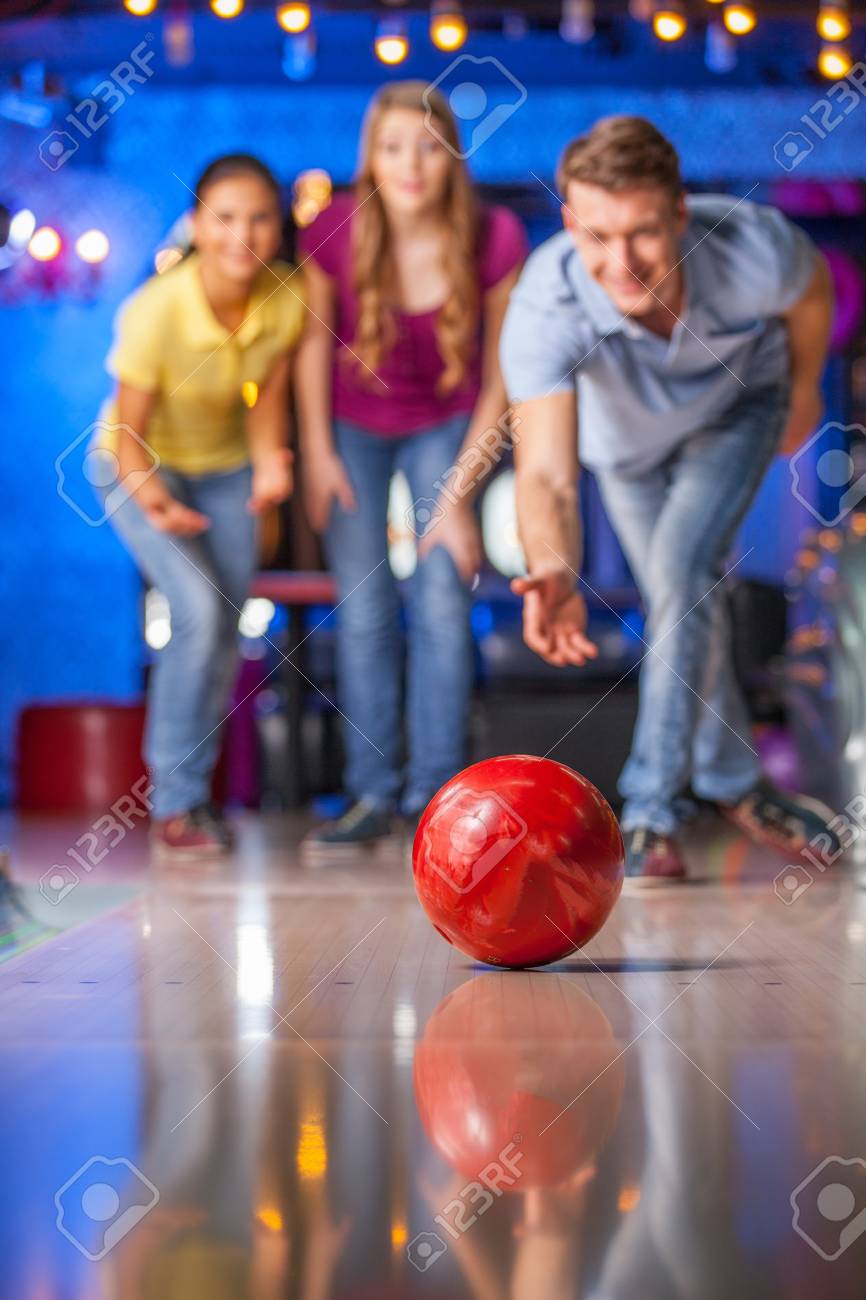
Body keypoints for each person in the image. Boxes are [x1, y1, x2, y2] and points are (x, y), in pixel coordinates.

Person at [500, 115, 840, 885]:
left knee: (683, 572)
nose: (621, 263)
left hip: (736, 409)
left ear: (680, 212)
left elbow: (812, 289)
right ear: (568, 225)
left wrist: (806, 389)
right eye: (595, 237)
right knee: (679, 593)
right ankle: (734, 782)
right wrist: (553, 568)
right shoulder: (544, 309)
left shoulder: (754, 248)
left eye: (644, 234)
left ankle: (649, 811)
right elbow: (548, 475)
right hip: (626, 456)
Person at [295, 81, 527, 849]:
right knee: (362, 614)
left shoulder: (493, 236)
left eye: (428, 146)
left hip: (449, 423)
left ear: (453, 153)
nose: (411, 165)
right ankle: (370, 794)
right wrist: (319, 454)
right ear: (371, 156)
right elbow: (307, 349)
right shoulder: (332, 225)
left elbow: (502, 377)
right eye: (393, 148)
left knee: (439, 604)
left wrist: (458, 493)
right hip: (351, 427)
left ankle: (436, 795)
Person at [97, 154, 304, 859]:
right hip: (137, 468)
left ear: (278, 226)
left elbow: (267, 400)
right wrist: (157, 502)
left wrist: (273, 463)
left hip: (225, 471)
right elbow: (127, 437)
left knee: (224, 631)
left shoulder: (284, 297)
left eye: (258, 218)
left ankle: (192, 801)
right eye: (224, 218)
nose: (240, 234)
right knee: (198, 611)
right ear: (197, 223)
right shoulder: (156, 310)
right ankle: (176, 806)